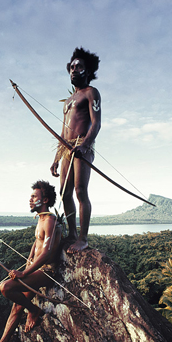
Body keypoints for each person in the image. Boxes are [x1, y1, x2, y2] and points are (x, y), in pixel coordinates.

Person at [0, 180, 62, 342]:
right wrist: (28, 263)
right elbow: (37, 243)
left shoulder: (50, 220)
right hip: (36, 270)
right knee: (17, 307)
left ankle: (34, 310)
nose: (31, 200)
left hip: (47, 271)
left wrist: (25, 273)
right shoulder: (41, 219)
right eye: (31, 196)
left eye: (35, 196)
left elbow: (47, 252)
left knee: (6, 287)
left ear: (46, 199)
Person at [50, 47, 101, 253]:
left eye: (78, 66)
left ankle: (83, 238)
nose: (73, 70)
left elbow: (96, 124)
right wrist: (56, 159)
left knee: (80, 191)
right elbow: (63, 132)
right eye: (71, 67)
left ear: (87, 71)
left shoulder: (91, 93)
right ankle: (72, 233)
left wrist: (85, 145)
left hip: (82, 147)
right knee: (64, 193)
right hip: (66, 149)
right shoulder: (69, 101)